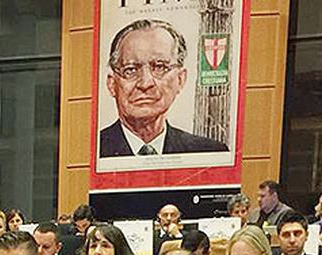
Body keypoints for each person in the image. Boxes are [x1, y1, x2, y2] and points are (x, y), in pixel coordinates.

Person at [97, 18, 226, 156]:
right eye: (131, 70)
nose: (145, 83)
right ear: (112, 84)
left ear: (180, 79)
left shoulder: (208, 152)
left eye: (159, 67)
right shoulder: (90, 150)